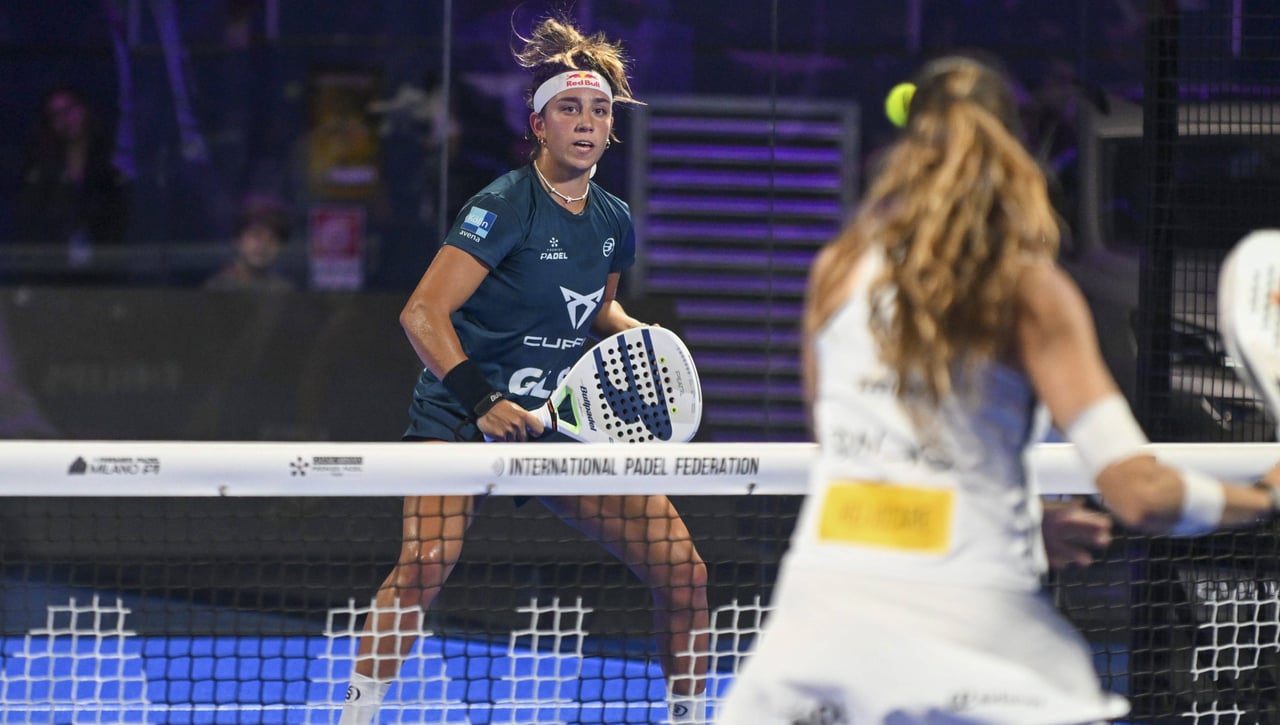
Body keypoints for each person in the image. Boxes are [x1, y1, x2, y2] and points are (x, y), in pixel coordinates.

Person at [717, 55, 1280, 725]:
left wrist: (1024, 522)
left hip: (814, 634)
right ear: (1014, 150)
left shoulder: (835, 272)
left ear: (908, 145)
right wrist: (1262, 494)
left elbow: (858, 456)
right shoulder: (1030, 290)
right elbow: (1141, 493)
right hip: (975, 641)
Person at [339, 15, 710, 725]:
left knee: (683, 569)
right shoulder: (503, 204)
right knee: (423, 564)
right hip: (461, 412)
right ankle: (354, 715)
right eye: (568, 108)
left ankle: (690, 716)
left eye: (599, 110)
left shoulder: (612, 219)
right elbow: (422, 314)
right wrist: (480, 402)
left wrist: (641, 337)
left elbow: (599, 309)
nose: (586, 121)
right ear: (539, 125)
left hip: (553, 424)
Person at [15, 85, 130, 276]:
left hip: (108, 266)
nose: (65, 119)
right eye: (55, 115)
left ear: (83, 108)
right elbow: (31, 217)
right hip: (56, 271)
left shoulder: (112, 158)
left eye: (69, 109)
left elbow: (120, 213)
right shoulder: (42, 168)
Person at [204, 193, 296, 292]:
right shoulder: (217, 289)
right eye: (256, 236)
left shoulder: (284, 291)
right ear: (237, 240)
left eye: (272, 239)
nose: (263, 245)